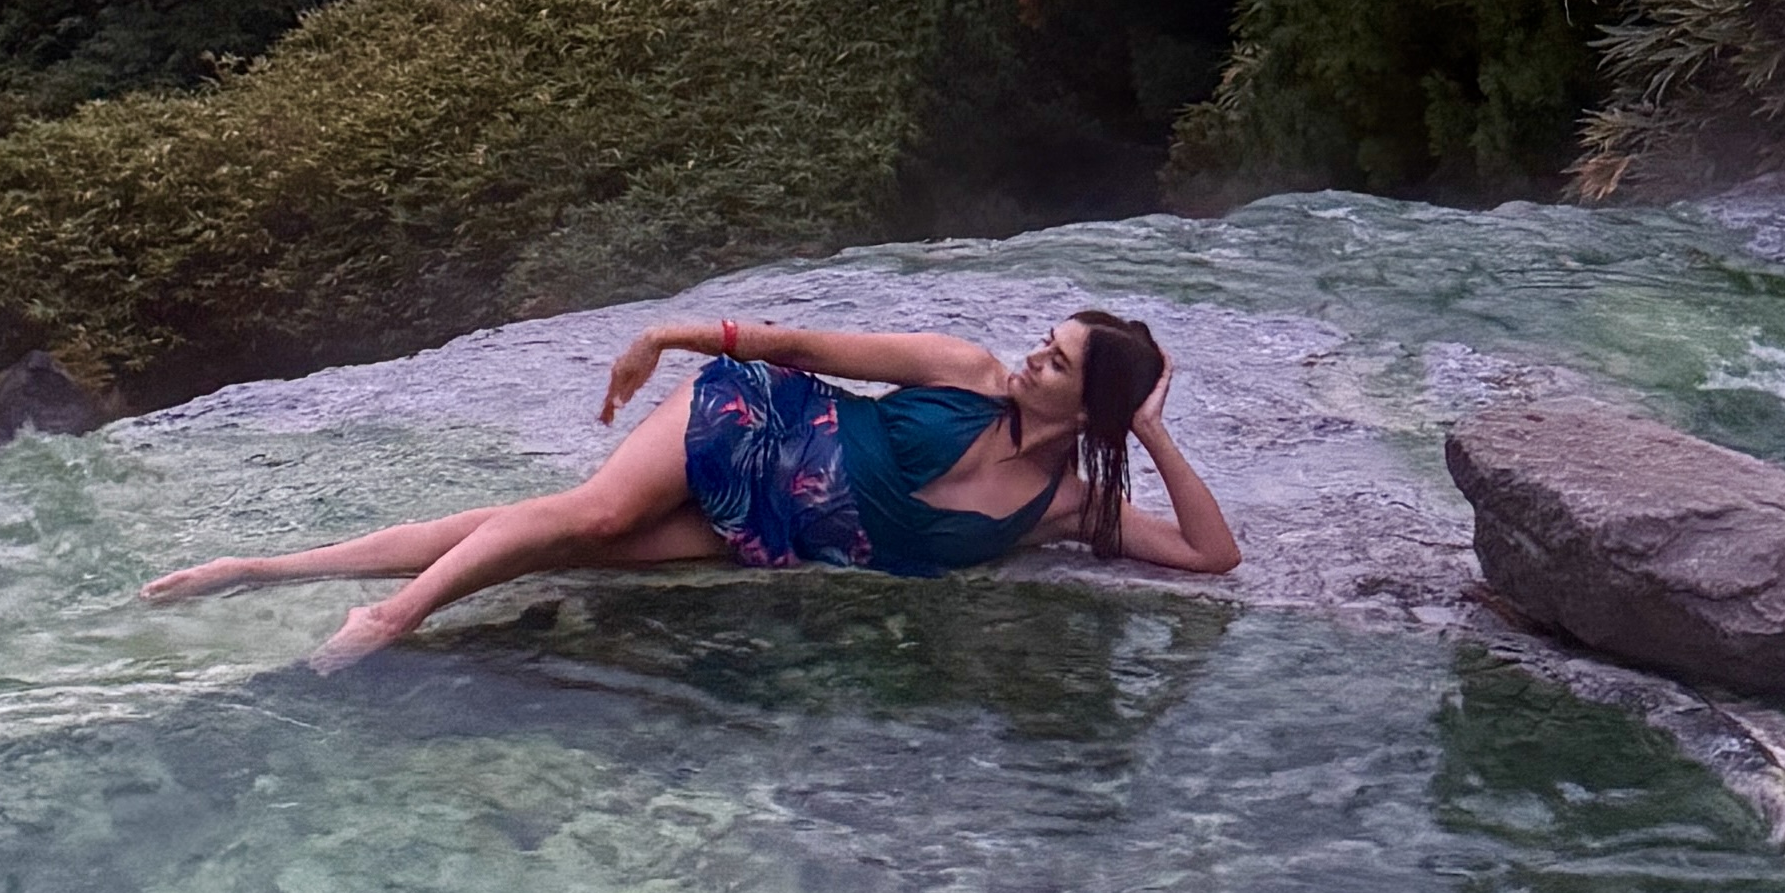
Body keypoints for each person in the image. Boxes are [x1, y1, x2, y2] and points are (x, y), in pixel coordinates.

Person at [143, 300, 1242, 657]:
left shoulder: (1066, 509)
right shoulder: (962, 371)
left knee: (564, 539)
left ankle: (263, 567)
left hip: (770, 536)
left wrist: (1151, 431)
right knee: (594, 514)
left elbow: (1210, 555)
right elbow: (805, 348)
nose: (1031, 358)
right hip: (755, 423)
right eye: (1045, 343)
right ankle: (386, 618)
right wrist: (673, 336)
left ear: (1092, 408)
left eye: (1058, 363)